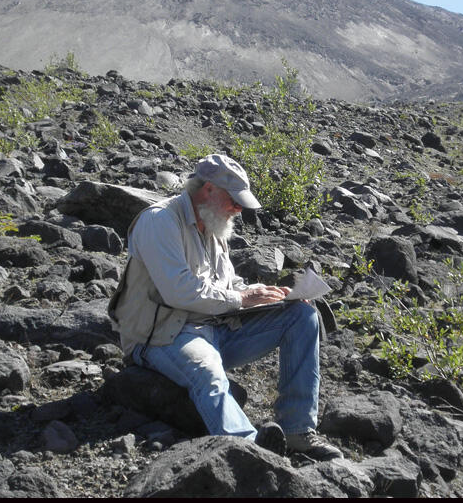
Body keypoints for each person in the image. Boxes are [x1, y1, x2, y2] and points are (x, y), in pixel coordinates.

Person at [108, 153, 343, 460]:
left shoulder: (212, 225)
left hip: (212, 326)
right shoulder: (160, 222)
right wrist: (240, 299)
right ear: (207, 190)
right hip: (162, 334)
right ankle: (252, 450)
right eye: (234, 201)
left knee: (301, 316)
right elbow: (180, 291)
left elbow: (227, 285)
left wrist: (260, 293)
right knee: (208, 373)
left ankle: (297, 430)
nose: (238, 209)